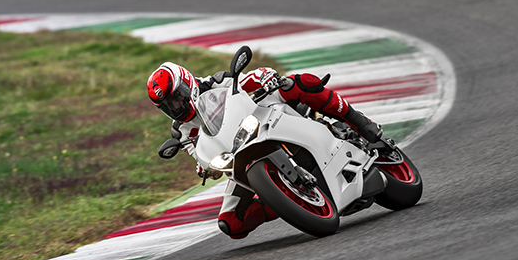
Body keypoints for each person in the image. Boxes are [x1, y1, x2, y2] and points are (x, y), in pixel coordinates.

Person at [147, 62, 383, 239]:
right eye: (169, 105)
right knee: (231, 224)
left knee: (298, 84)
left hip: (262, 120)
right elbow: (198, 154)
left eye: (177, 97)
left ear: (188, 83)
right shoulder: (182, 131)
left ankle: (359, 122)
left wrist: (266, 77)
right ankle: (288, 199)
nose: (176, 106)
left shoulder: (215, 82)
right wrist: (206, 167)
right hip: (237, 156)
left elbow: (249, 78)